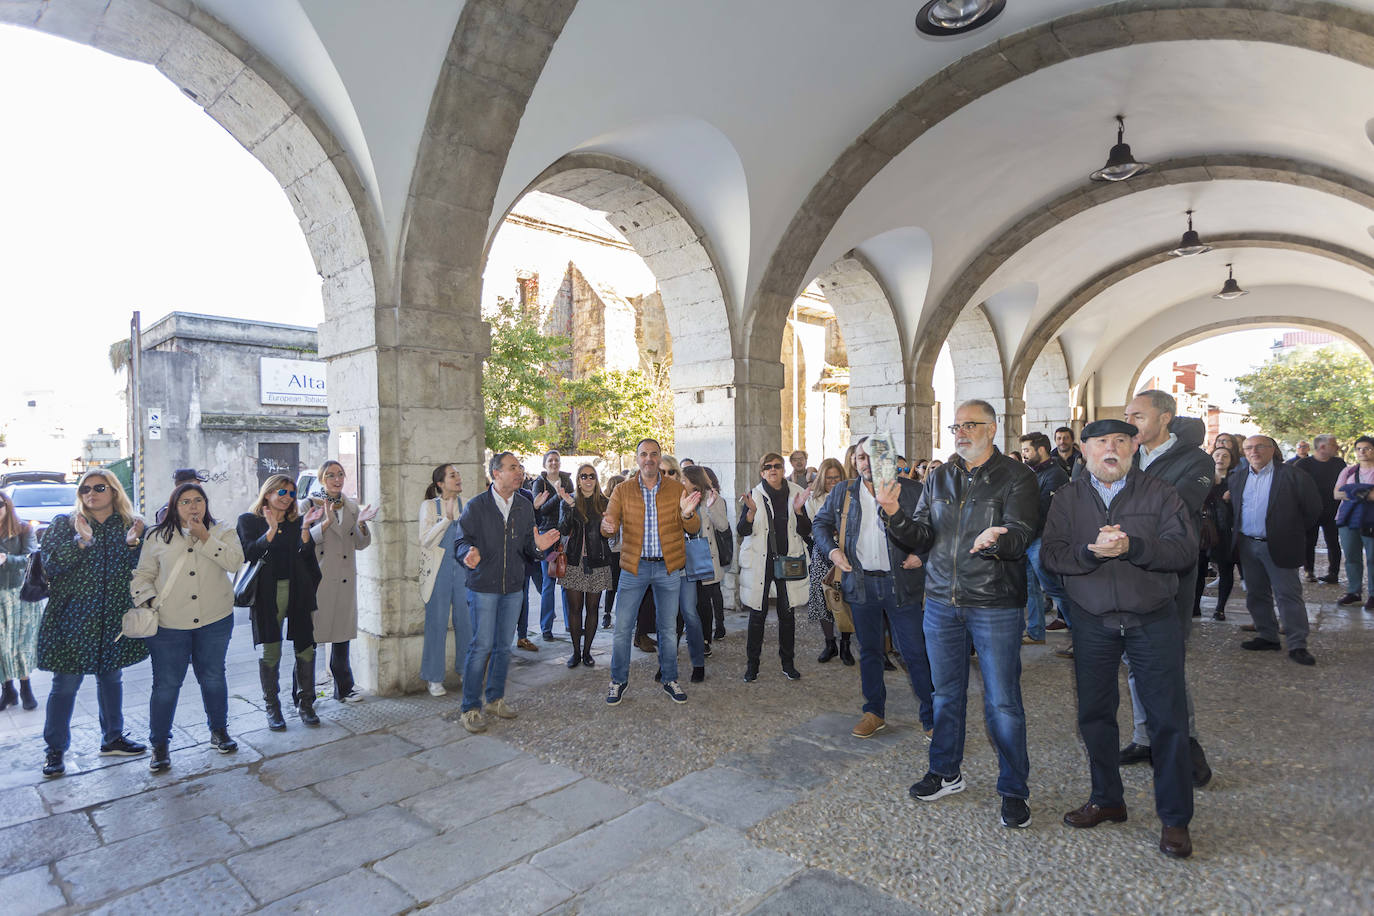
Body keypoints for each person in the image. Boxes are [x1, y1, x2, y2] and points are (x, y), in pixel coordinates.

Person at [1041, 418, 1199, 859]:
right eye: (1101, 443)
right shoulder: (1067, 498)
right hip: (1093, 620)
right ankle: (1107, 799)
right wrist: (1088, 554)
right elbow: (1051, 554)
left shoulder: (1161, 493)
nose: (1111, 449)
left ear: (1134, 448)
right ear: (1085, 450)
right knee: (1094, 714)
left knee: (1167, 719)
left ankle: (1174, 819)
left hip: (1152, 619)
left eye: (1120, 442)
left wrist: (1135, 549)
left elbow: (1185, 552)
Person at [884, 399, 1038, 829]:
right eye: (956, 426)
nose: (960, 433)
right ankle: (946, 772)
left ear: (992, 429)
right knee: (944, 694)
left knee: (1002, 702)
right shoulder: (940, 477)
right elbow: (921, 534)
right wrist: (894, 512)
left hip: (993, 602)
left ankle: (1013, 790)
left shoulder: (1017, 476)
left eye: (970, 425)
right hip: (940, 602)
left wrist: (997, 539)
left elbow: (1023, 533)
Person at [1118, 390, 1215, 786]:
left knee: (1166, 662)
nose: (1130, 423)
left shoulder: (1196, 460)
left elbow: (1176, 505)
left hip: (1168, 575)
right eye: (1127, 415)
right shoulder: (1127, 454)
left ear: (1165, 418)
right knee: (1132, 661)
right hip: (1123, 572)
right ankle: (1145, 737)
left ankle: (1184, 745)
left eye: (1138, 416)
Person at [818, 437, 934, 740]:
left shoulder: (912, 491)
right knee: (869, 652)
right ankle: (873, 712)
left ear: (889, 460)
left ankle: (932, 715)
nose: (866, 463)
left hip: (901, 584)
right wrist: (832, 551)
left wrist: (921, 555)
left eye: (874, 457)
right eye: (860, 457)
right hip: (861, 584)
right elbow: (820, 523)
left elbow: (933, 530)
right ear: (854, 461)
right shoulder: (844, 492)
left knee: (913, 652)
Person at [36, 470, 150, 777]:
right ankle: (55, 750)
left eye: (99, 487)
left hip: (112, 618)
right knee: (65, 686)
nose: (91, 493)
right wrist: (81, 542)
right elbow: (51, 565)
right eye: (85, 488)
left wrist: (132, 545)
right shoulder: (65, 523)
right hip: (72, 619)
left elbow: (143, 570)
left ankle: (113, 737)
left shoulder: (131, 525)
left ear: (113, 491)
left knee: (111, 679)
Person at [132, 482, 244, 770]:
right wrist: (147, 601)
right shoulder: (157, 536)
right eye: (185, 501)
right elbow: (142, 574)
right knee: (167, 685)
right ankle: (159, 744)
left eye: (198, 500)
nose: (193, 506)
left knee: (213, 677)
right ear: (174, 506)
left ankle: (219, 731)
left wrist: (205, 537)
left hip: (215, 620)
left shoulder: (222, 531)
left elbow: (234, 562)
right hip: (170, 624)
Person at [455, 452, 561, 732]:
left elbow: (529, 548)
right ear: (496, 473)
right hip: (483, 588)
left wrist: (539, 547)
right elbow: (460, 540)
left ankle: (495, 699)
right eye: (512, 467)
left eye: (520, 467)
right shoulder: (477, 506)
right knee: (481, 646)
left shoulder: (525, 506)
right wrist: (468, 553)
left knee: (504, 646)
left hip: (514, 588)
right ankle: (470, 707)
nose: (519, 472)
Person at [600, 438, 701, 706]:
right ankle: (618, 681)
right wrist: (607, 528)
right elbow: (608, 523)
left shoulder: (676, 488)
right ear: (637, 459)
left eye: (653, 454)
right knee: (622, 628)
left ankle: (669, 678)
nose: (648, 459)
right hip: (635, 567)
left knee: (667, 629)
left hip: (668, 567)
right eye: (643, 454)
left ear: (659, 458)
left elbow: (693, 528)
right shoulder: (622, 490)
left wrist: (689, 515)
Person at [238, 474, 326, 730]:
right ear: (268, 493)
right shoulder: (248, 520)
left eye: (291, 494)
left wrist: (306, 529)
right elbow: (249, 552)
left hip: (297, 589)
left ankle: (306, 704)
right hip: (267, 592)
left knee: (306, 647)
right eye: (282, 493)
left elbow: (304, 553)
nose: (287, 498)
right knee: (270, 649)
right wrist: (272, 530)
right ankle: (272, 708)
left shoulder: (296, 520)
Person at [1231, 435, 1321, 665]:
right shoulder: (1238, 477)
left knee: (1288, 595)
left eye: (1260, 446)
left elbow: (1312, 511)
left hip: (1280, 544)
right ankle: (1267, 636)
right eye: (1249, 448)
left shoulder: (1294, 475)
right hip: (1248, 544)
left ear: (1272, 450)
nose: (1254, 451)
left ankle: (1297, 644)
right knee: (1256, 594)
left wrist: (1289, 532)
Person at [306, 460, 376, 703]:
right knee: (310, 639)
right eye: (331, 475)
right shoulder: (309, 505)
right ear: (322, 479)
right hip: (320, 579)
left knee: (341, 635)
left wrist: (362, 524)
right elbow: (302, 542)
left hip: (345, 578)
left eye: (340, 474)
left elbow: (360, 543)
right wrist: (322, 525)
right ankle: (304, 694)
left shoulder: (352, 507)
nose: (337, 479)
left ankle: (344, 687)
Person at [737, 452, 811, 682]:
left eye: (777, 466)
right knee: (757, 614)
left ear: (783, 469)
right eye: (767, 467)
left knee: (787, 614)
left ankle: (788, 663)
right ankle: (752, 665)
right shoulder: (753, 495)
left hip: (787, 559)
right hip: (761, 561)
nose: (772, 470)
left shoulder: (796, 492)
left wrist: (799, 512)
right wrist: (750, 513)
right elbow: (742, 531)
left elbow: (806, 530)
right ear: (762, 472)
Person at [418, 463, 469, 696]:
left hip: (464, 571)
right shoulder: (429, 506)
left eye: (458, 474)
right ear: (440, 483)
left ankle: (466, 669)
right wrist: (446, 520)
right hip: (438, 572)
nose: (458, 478)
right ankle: (434, 678)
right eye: (452, 475)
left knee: (466, 622)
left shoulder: (466, 505)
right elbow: (425, 540)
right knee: (436, 623)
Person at [556, 464, 613, 669]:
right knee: (575, 608)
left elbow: (609, 532)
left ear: (596, 479)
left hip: (597, 562)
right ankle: (575, 652)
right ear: (578, 480)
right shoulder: (569, 501)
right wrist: (570, 507)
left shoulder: (605, 502)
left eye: (591, 476)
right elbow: (563, 529)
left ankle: (587, 651)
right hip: (574, 561)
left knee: (592, 609)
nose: (588, 479)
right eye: (583, 476)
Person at [1018, 432, 1070, 645]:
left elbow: (1044, 509)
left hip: (1042, 539)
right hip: (1028, 538)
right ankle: (1035, 631)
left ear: (1041, 450)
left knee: (1053, 587)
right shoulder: (1030, 473)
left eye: (1027, 450)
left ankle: (1080, 632)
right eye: (1022, 451)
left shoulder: (1055, 475)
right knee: (1029, 588)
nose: (1024, 455)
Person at [806, 458, 853, 664]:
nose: (833, 482)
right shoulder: (813, 499)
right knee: (822, 598)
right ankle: (829, 643)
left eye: (837, 478)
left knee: (845, 598)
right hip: (822, 552)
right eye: (829, 478)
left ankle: (845, 644)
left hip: (845, 551)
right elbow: (813, 526)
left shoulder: (850, 495)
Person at [0, 491, 41, 711]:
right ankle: (8, 690)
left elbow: (31, 559)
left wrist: (7, 559)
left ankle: (26, 689)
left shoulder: (24, 529)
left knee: (20, 644)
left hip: (20, 595)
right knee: (1, 646)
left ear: (7, 505)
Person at [683, 465, 729, 653]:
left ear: (694, 481)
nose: (681, 483)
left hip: (704, 555)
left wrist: (709, 508)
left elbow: (723, 526)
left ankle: (705, 640)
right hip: (685, 555)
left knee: (704, 600)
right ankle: (692, 635)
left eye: (684, 479)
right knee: (688, 602)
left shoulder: (712, 497)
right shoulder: (680, 497)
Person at [531, 450, 573, 641]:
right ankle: (546, 627)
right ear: (545, 464)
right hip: (546, 535)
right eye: (550, 460)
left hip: (565, 535)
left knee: (566, 581)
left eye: (557, 460)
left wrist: (564, 496)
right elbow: (539, 508)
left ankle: (570, 624)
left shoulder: (567, 480)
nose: (554, 463)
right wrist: (558, 496)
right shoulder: (539, 483)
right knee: (549, 582)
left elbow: (572, 503)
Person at [1295, 435, 1346, 583]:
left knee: (1333, 542)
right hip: (1309, 510)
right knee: (1309, 541)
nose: (1337, 447)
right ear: (1322, 447)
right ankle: (1308, 570)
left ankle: (1333, 573)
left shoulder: (1339, 463)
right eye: (1334, 444)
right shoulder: (1303, 464)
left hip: (1333, 510)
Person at [1195, 447, 1237, 621]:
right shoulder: (1203, 478)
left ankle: (1220, 608)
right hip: (1203, 530)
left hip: (1225, 531)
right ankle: (1194, 606)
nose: (1220, 458)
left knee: (1226, 569)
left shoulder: (1235, 480)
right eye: (1217, 455)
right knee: (1199, 570)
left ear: (1231, 460)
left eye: (1225, 456)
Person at [1334, 435, 1374, 609]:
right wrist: (1362, 493)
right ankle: (1354, 591)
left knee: (1372, 558)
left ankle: (1373, 594)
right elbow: (1336, 494)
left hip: (1370, 519)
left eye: (1367, 448)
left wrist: (1351, 492)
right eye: (1359, 448)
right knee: (1351, 556)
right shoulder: (1348, 471)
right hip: (1347, 518)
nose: (1362, 452)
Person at [602, 474, 626, 630]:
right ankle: (607, 614)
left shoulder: (628, 503)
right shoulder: (609, 505)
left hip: (623, 550)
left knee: (619, 585)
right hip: (615, 550)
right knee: (614, 584)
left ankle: (610, 614)